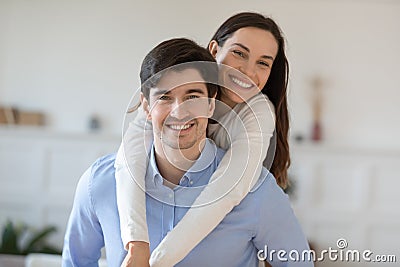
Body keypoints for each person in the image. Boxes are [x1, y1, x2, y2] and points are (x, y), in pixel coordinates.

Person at [62, 38, 312, 267]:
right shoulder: (99, 184)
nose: (180, 111)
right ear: (146, 108)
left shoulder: (259, 193)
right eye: (165, 98)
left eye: (192, 96)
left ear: (211, 104)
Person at [116, 12, 292, 267]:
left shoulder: (258, 112)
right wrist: (137, 244)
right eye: (239, 53)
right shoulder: (176, 85)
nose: (248, 71)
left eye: (263, 63)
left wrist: (160, 260)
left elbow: (228, 189)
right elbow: (128, 160)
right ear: (214, 50)